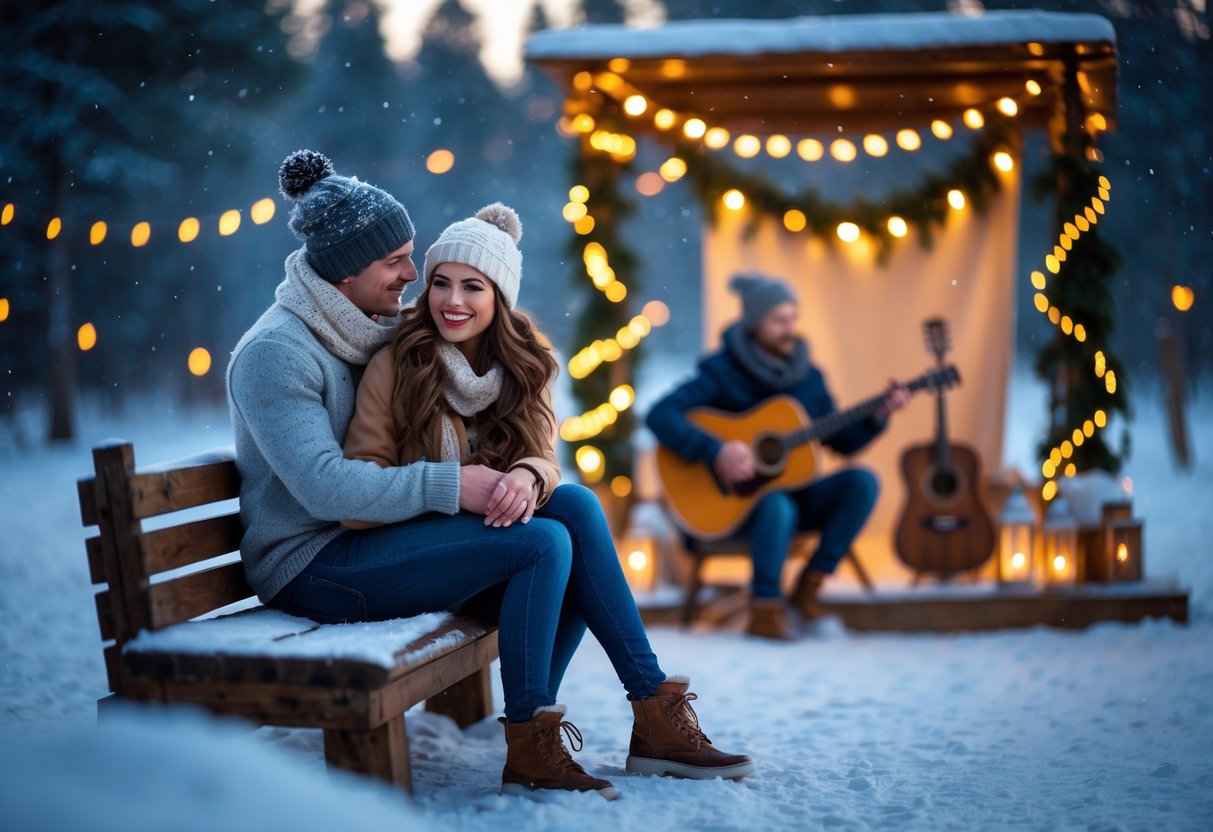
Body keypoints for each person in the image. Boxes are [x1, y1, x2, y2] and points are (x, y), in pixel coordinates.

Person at [227, 152, 753, 801]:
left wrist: (527, 476)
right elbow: (328, 489)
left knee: (575, 510)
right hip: (313, 563)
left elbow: (532, 439)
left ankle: (650, 711)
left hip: (379, 538)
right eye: (397, 261)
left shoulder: (372, 328)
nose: (413, 279)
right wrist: (458, 486)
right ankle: (531, 737)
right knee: (542, 542)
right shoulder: (279, 353)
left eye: (417, 260)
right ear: (345, 268)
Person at [646, 274, 910, 641]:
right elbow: (660, 415)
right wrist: (716, 450)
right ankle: (765, 609)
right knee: (776, 502)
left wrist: (878, 416)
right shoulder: (721, 371)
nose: (790, 328)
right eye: (779, 319)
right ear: (755, 323)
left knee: (862, 483)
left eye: (792, 318)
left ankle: (808, 587)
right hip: (737, 506)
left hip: (795, 495)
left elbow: (842, 442)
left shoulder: (809, 378)